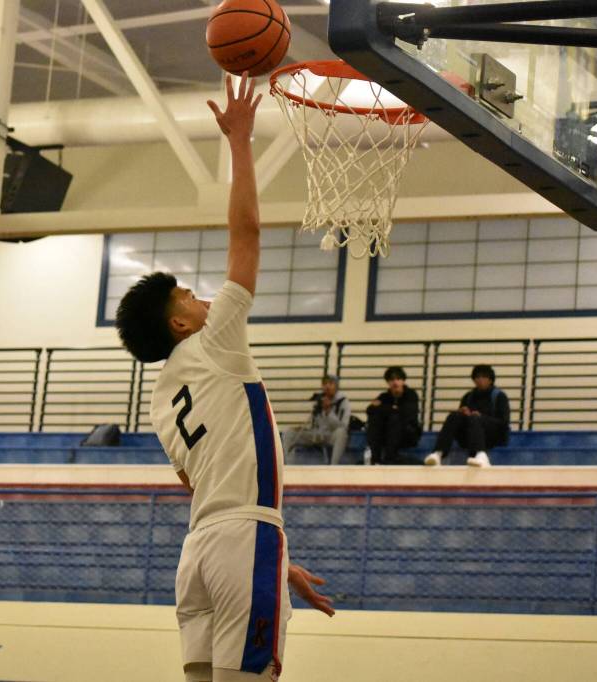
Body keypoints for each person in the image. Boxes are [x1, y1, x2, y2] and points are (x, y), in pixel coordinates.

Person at [115, 73, 334, 682]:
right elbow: (248, 235)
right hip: (243, 539)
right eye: (189, 293)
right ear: (182, 322)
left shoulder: (162, 399)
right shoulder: (216, 339)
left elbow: (198, 482)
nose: (204, 296)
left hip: (201, 552)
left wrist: (274, 562)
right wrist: (240, 139)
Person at [424, 365, 510, 468]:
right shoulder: (468, 397)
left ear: (490, 380)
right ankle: (438, 453)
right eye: (477, 377)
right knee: (454, 416)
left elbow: (503, 422)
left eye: (484, 377)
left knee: (475, 418)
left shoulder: (499, 396)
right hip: (470, 435)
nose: (480, 380)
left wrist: (482, 418)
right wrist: (462, 413)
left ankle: (481, 455)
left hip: (493, 436)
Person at [282, 375, 350, 464]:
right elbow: (313, 422)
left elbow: (344, 426)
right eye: (325, 384)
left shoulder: (343, 402)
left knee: (341, 433)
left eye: (330, 383)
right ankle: (289, 466)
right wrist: (302, 428)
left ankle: (334, 466)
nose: (327, 386)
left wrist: (328, 412)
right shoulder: (319, 399)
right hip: (316, 433)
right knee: (289, 433)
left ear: (336, 386)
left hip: (330, 435)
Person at [364, 366, 422, 465]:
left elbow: (407, 414)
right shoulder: (384, 396)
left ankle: (389, 458)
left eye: (398, 379)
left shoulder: (411, 395)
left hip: (408, 434)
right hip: (387, 434)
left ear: (403, 381)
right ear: (388, 382)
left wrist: (384, 408)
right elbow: (370, 410)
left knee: (394, 419)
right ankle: (375, 459)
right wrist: (392, 409)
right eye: (392, 380)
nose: (395, 383)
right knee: (375, 419)